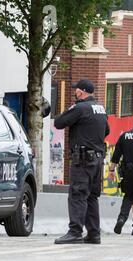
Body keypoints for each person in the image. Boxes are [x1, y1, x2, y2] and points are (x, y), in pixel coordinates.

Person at [54, 79, 110, 245]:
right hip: (98, 160)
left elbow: (59, 123)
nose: (75, 92)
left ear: (81, 91)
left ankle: (75, 232)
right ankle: (94, 234)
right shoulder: (101, 109)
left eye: (76, 90)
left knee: (77, 195)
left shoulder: (80, 108)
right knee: (92, 197)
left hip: (83, 160)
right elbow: (107, 130)